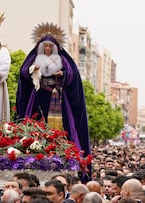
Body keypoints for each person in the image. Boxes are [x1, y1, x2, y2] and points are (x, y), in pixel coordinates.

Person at [16, 23, 91, 181]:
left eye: (50, 46)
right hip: (38, 96)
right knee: (35, 123)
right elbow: (23, 72)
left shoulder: (62, 59)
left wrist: (62, 74)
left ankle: (62, 150)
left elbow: (72, 74)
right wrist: (33, 70)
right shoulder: (35, 58)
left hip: (57, 98)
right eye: (46, 46)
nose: (48, 49)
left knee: (61, 126)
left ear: (54, 47)